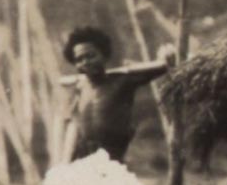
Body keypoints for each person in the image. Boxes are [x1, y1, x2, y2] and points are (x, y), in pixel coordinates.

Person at [61, 27, 173, 163]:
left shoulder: (122, 80)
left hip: (112, 163)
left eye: (90, 56)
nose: (85, 62)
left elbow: (163, 66)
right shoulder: (80, 86)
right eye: (79, 59)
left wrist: (167, 55)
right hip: (82, 162)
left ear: (104, 55)